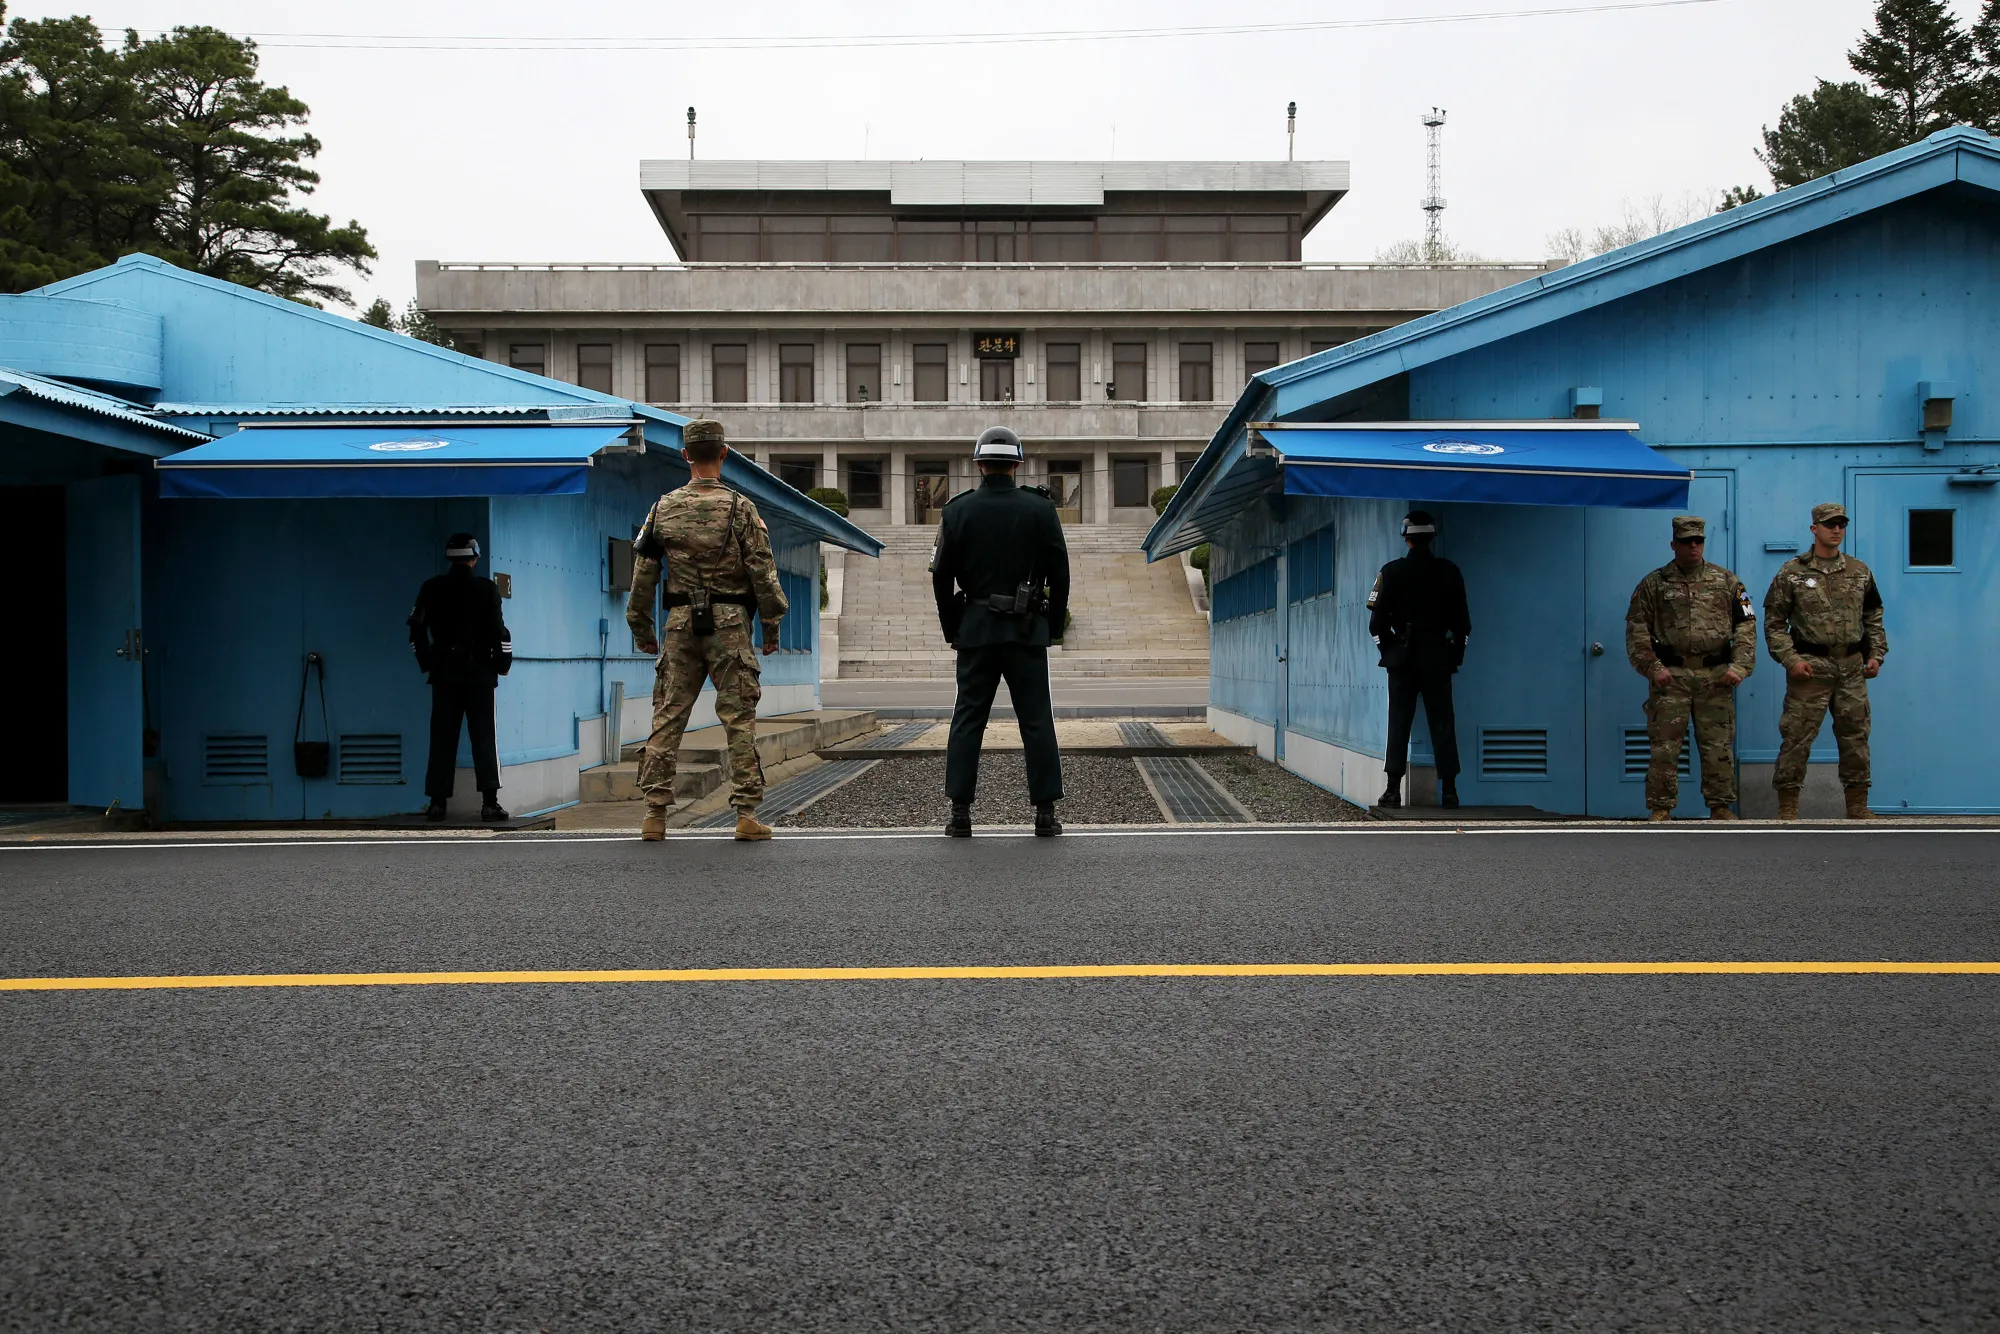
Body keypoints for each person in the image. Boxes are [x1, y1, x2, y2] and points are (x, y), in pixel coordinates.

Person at [627, 419, 787, 843]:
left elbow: (643, 575)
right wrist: (771, 625)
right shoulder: (741, 508)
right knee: (738, 719)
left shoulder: (662, 508)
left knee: (668, 717)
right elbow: (763, 573)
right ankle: (747, 814)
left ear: (685, 455)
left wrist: (641, 627)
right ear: (723, 454)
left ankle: (655, 814)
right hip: (731, 624)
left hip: (679, 624)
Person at [929, 425, 1071, 837]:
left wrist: (952, 627)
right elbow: (1060, 575)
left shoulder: (956, 511)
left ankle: (960, 813)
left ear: (978, 463)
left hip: (975, 629)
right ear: (1017, 464)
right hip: (1026, 630)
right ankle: (1044, 813)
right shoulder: (1040, 510)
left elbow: (941, 578)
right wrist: (1053, 627)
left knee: (968, 718)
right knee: (1037, 720)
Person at [1624, 515, 1756, 821]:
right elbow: (1637, 629)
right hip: (1672, 676)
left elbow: (1746, 624)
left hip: (1716, 676)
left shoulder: (1727, 582)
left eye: (1698, 541)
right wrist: (1652, 667)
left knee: (1718, 745)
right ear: (1674, 545)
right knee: (1665, 747)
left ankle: (1721, 806)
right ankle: (1661, 807)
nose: (1693, 546)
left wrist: (1740, 666)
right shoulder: (1654, 584)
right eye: (1686, 541)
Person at [1763, 501, 1888, 821]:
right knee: (1797, 737)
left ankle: (1857, 804)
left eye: (1841, 524)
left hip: (1850, 667)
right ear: (1814, 529)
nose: (1837, 530)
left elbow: (1873, 616)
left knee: (1856, 735)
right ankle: (1788, 806)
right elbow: (1774, 622)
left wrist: (1876, 654)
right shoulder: (1792, 573)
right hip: (1810, 667)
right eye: (1830, 524)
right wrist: (1790, 660)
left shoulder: (1859, 571)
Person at [1368, 510, 1470, 809]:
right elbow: (1463, 624)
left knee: (1399, 722)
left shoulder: (1390, 572)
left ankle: (1392, 789)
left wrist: (1390, 650)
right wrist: (1454, 655)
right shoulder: (1450, 572)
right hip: (1438, 657)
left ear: (1406, 538)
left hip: (1402, 658)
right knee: (1443, 722)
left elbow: (1376, 625)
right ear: (1432, 537)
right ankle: (1449, 790)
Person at [409, 533, 513, 821]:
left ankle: (437, 802)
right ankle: (489, 802)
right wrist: (502, 663)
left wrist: (427, 661)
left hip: (443, 671)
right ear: (475, 557)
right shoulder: (486, 589)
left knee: (442, 737)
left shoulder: (431, 588)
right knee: (483, 737)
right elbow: (499, 631)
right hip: (479, 671)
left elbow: (416, 628)